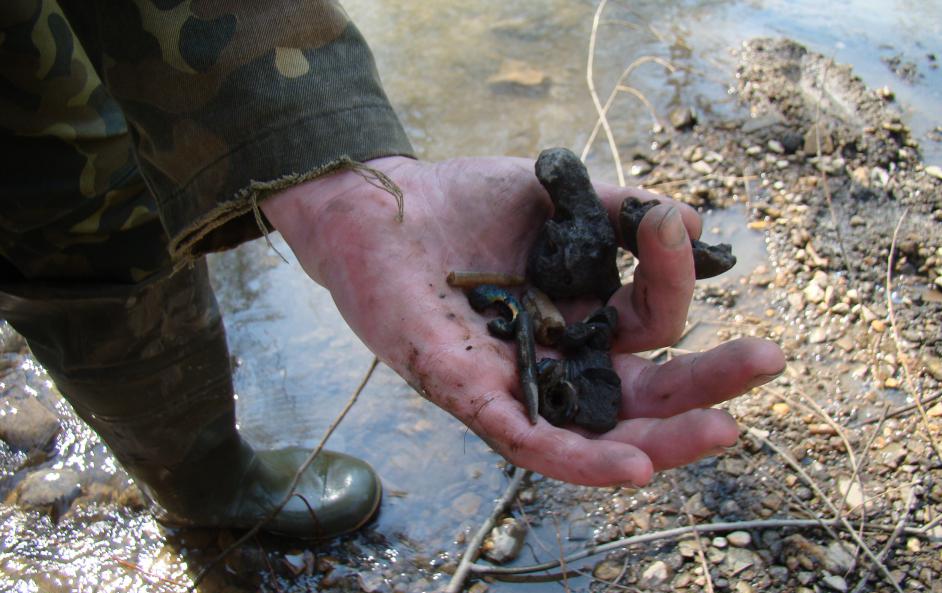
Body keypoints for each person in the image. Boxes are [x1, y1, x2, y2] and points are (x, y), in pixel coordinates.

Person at [0, 2, 785, 539]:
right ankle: (195, 485)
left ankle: (201, 478)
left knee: (99, 204)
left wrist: (335, 173)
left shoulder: (555, 290)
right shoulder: (549, 295)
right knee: (39, 215)